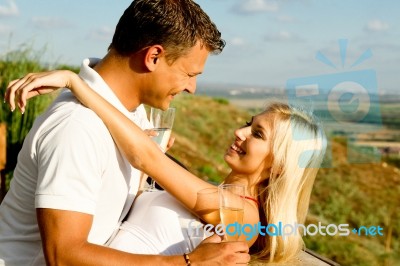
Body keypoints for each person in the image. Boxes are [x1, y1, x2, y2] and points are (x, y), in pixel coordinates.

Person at [0, 0, 251, 265]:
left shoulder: (132, 115)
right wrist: (188, 261)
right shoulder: (77, 127)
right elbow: (63, 256)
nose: (192, 87)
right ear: (153, 56)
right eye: (189, 74)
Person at [5, 69, 327, 263]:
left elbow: (147, 157)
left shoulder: (244, 216)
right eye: (248, 123)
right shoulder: (211, 194)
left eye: (257, 134)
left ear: (280, 166)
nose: (239, 132)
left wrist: (76, 83)